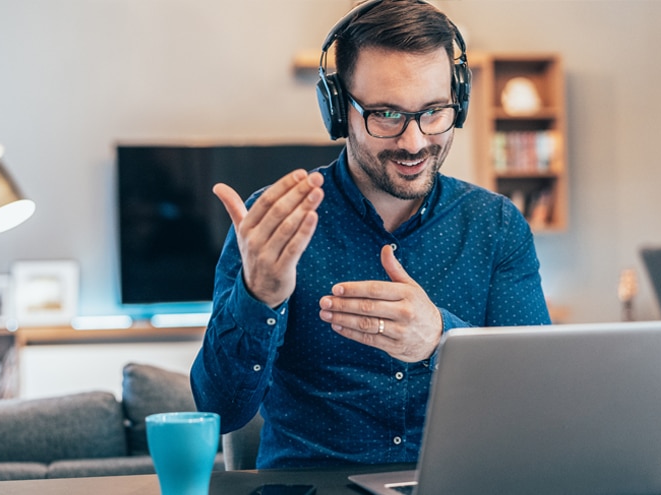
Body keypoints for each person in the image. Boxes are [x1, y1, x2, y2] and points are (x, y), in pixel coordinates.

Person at [190, 0, 550, 469]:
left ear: (457, 102)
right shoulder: (270, 224)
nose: (415, 142)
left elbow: (537, 399)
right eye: (386, 114)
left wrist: (443, 339)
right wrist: (260, 295)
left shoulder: (497, 227)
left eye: (434, 111)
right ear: (338, 109)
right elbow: (219, 412)